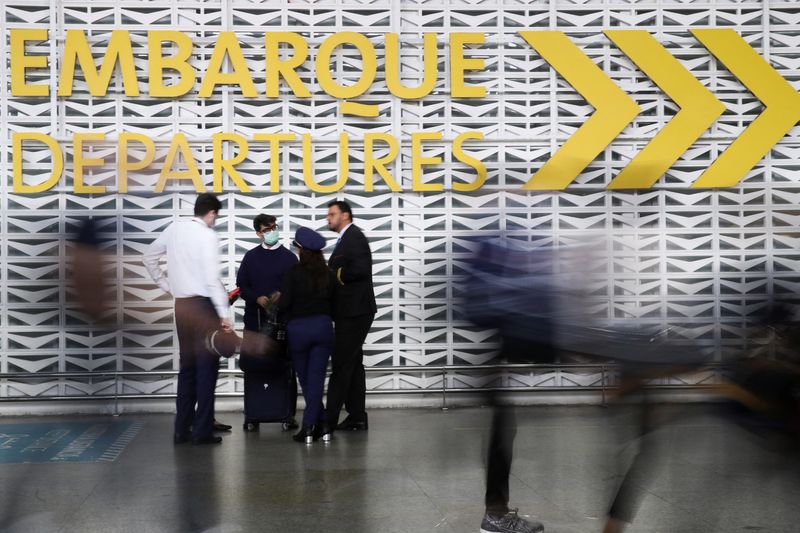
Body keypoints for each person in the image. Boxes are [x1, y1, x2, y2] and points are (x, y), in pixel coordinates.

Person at [143, 193, 231, 445]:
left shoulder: (174, 228)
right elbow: (212, 280)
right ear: (212, 213)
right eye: (216, 216)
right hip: (203, 308)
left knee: (188, 369)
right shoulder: (208, 235)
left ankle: (181, 429)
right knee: (207, 370)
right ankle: (202, 431)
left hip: (181, 307)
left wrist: (167, 286)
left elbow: (148, 257)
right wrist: (224, 315)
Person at [235, 214, 300, 428]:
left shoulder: (290, 258)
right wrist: (256, 298)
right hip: (255, 322)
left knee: (284, 367)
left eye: (273, 227)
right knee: (254, 367)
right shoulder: (251, 257)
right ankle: (253, 414)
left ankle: (286, 414)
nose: (271, 232)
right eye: (266, 229)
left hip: (283, 324)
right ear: (258, 233)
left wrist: (283, 294)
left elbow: (297, 286)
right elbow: (242, 286)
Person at [277, 227, 336, 443]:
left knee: (307, 381)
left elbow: (284, 304)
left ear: (301, 250)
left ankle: (309, 427)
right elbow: (335, 303)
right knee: (317, 380)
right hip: (323, 328)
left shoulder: (293, 273)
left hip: (299, 331)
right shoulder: (328, 274)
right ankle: (325, 425)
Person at [324, 200, 377, 434]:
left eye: (332, 214)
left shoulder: (354, 237)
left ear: (345, 215)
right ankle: (357, 417)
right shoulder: (346, 238)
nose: (328, 218)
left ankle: (328, 420)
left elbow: (361, 269)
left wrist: (333, 275)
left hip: (355, 311)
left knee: (342, 363)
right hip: (351, 311)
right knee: (353, 364)